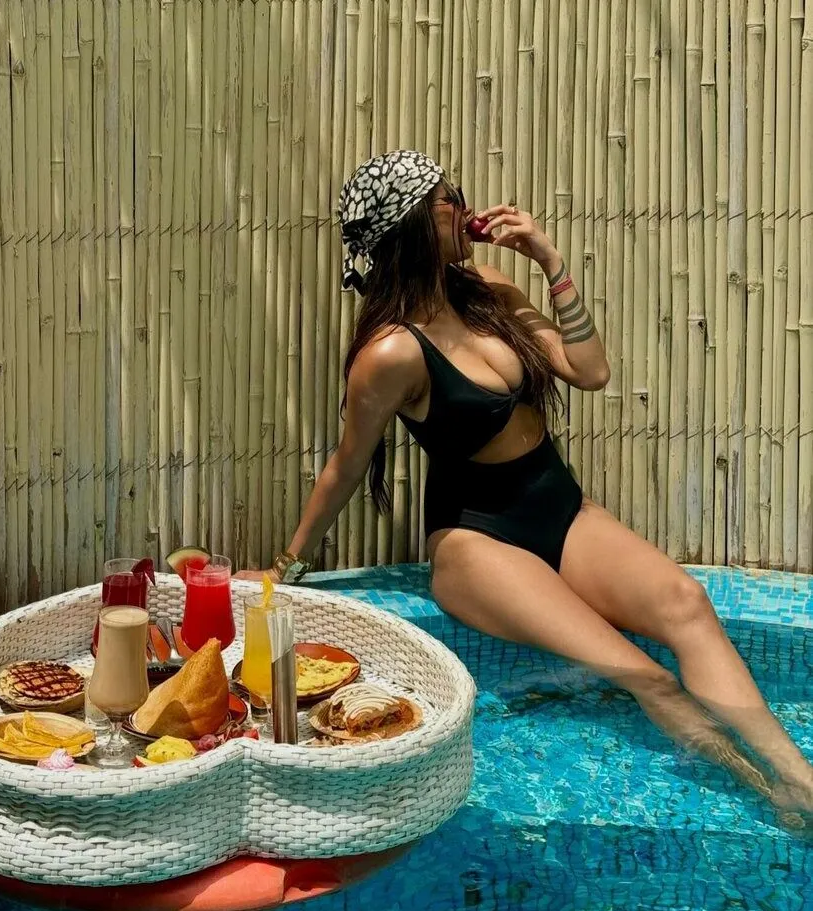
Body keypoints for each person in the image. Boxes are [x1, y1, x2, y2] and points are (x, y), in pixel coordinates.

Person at [237, 149, 813, 823]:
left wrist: (549, 260)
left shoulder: (486, 289)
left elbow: (590, 371)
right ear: (414, 223)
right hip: (478, 540)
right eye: (448, 197)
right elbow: (346, 465)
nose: (465, 205)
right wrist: (285, 567)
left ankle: (798, 777)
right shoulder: (391, 353)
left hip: (559, 507)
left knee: (687, 604)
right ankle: (765, 797)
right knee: (647, 675)